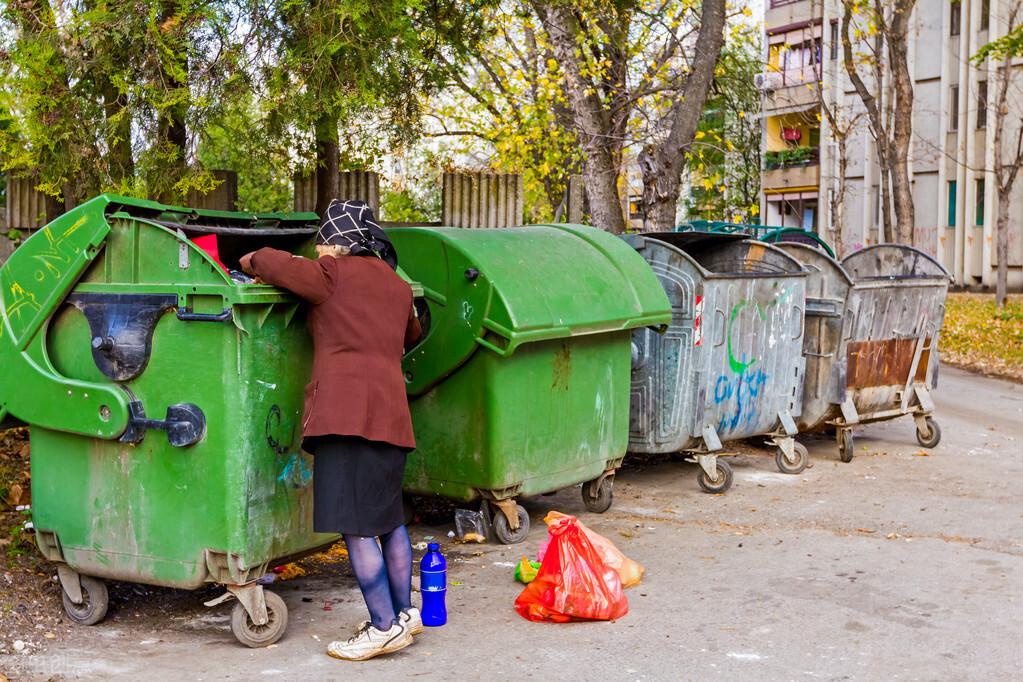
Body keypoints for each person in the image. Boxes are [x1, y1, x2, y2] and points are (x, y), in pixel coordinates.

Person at [240, 199, 423, 662]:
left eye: (323, 241)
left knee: (356, 527)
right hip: (391, 416)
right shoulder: (398, 286)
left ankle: (381, 626)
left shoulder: (331, 274)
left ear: (338, 243)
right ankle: (404, 616)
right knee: (389, 521)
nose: (320, 249)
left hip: (346, 418)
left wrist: (245, 260)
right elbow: (412, 335)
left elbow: (269, 261)